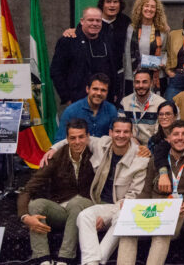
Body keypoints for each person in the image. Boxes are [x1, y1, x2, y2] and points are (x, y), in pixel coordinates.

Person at [117, 120, 184, 265]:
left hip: (177, 212)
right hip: (153, 209)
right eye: (176, 134)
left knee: (162, 231)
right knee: (128, 229)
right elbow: (146, 191)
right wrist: (132, 206)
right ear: (168, 139)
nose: (180, 138)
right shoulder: (156, 161)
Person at [19, 119, 96, 265]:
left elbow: (120, 142)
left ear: (88, 137)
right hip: (61, 209)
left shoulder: (97, 154)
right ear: (66, 139)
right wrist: (24, 217)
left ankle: (64, 259)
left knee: (77, 202)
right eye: (72, 138)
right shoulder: (56, 157)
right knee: (36, 205)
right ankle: (43, 259)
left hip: (87, 208)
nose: (77, 142)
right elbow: (27, 189)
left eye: (81, 137)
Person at [75, 118, 150, 265]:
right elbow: (73, 140)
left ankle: (94, 261)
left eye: (125, 132)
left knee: (123, 217)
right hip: (99, 203)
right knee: (83, 216)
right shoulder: (102, 143)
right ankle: (93, 262)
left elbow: (132, 197)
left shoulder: (141, 161)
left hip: (121, 207)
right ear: (110, 133)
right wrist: (52, 149)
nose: (121, 135)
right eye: (117, 131)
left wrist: (106, 218)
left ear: (131, 134)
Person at [51, 7, 119, 105]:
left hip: (105, 101)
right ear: (82, 21)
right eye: (90, 20)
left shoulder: (107, 40)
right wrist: (66, 98)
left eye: (98, 21)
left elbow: (113, 69)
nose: (94, 23)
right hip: (77, 101)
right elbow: (56, 71)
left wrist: (114, 93)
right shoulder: (67, 41)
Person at [123, 0, 169, 97]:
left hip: (156, 76)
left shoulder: (163, 31)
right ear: (140, 8)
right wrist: (128, 76)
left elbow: (165, 51)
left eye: (153, 7)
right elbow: (126, 53)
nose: (149, 9)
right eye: (146, 6)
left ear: (157, 11)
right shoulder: (131, 29)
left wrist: (162, 63)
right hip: (135, 76)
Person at [55, 73, 118, 142]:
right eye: (95, 89)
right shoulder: (71, 111)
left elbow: (116, 138)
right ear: (87, 89)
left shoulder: (111, 110)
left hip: (103, 151)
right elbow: (60, 140)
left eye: (103, 90)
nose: (99, 93)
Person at [118, 68, 166, 145]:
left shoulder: (161, 103)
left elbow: (160, 134)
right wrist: (133, 142)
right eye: (137, 82)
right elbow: (121, 127)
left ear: (151, 83)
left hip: (154, 146)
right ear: (133, 84)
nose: (140, 86)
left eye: (144, 82)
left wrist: (147, 149)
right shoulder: (125, 102)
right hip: (131, 144)